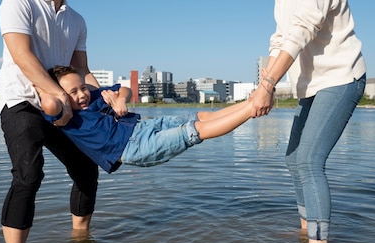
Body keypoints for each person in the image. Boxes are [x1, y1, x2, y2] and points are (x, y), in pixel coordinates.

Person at [250, 0, 367, 243]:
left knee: (309, 160)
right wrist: (262, 82)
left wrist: (269, 84)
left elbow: (303, 30)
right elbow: (280, 38)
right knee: (292, 159)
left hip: (341, 77)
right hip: (311, 85)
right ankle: (306, 229)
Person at [0, 0, 110, 243]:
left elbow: (82, 70)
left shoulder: (77, 20)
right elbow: (21, 55)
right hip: (22, 102)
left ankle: (80, 240)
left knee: (87, 169)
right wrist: (56, 94)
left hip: (63, 106)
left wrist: (106, 99)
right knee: (29, 176)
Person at [37, 66, 255, 173]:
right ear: (62, 95)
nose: (82, 94)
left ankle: (251, 101)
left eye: (82, 87)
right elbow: (49, 103)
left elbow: (124, 89)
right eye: (73, 92)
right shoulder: (66, 117)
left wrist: (121, 101)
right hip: (135, 148)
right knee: (195, 130)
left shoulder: (94, 96)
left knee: (201, 116)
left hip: (143, 126)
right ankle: (253, 109)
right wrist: (57, 92)